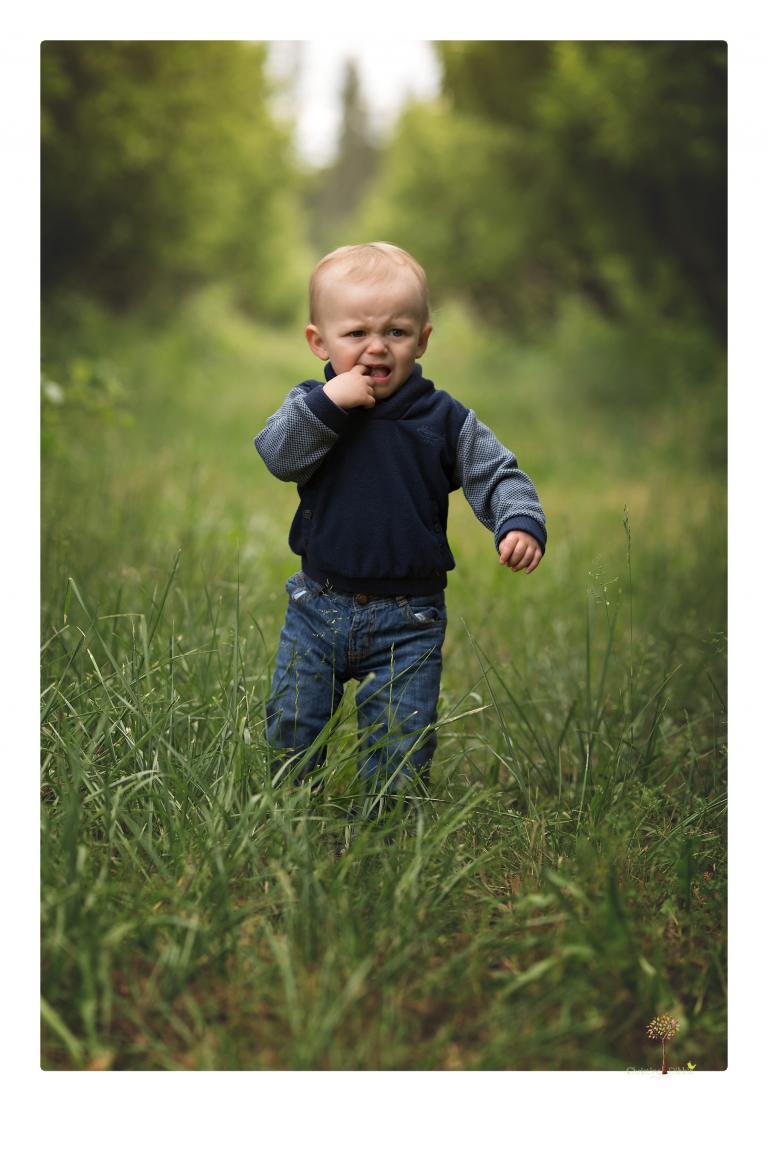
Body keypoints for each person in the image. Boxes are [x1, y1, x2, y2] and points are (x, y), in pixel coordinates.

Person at [254, 242, 546, 802]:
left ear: (423, 339)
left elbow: (498, 473)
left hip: (409, 618)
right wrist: (330, 404)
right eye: (356, 333)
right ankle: (289, 810)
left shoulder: (442, 418)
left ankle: (387, 828)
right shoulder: (312, 406)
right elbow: (277, 456)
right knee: (295, 723)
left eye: (395, 332)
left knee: (400, 741)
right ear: (319, 341)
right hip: (318, 604)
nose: (376, 348)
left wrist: (519, 520)